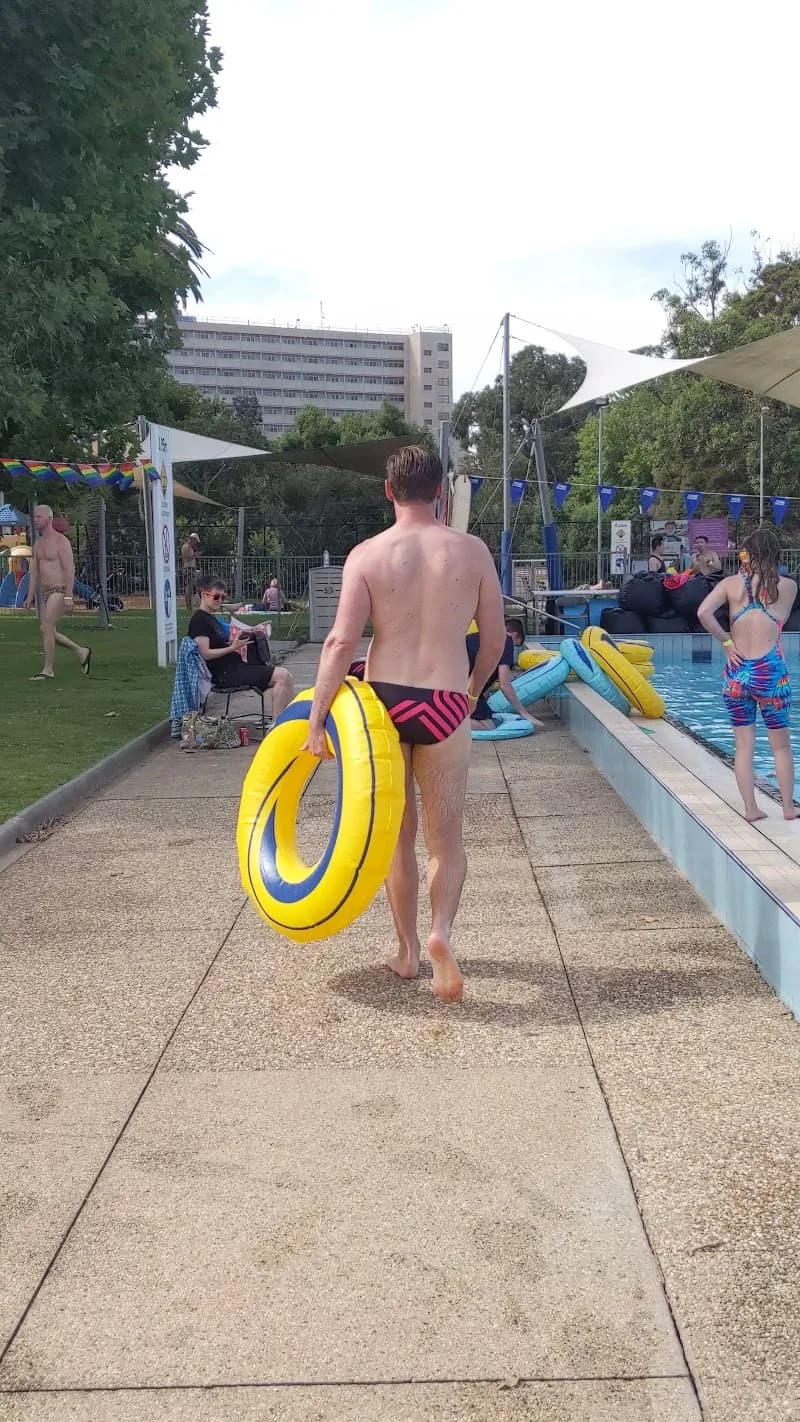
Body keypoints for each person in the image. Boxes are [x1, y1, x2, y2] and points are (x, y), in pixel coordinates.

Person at [302, 445, 507, 1005]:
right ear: (440, 491)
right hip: (445, 701)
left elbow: (340, 642)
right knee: (447, 839)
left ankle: (408, 950)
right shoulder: (472, 552)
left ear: (388, 491)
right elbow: (493, 641)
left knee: (399, 838)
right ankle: (442, 931)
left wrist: (317, 719)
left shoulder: (367, 554)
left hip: (384, 704)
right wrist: (470, 692)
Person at [698, 527, 798, 823]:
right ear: (774, 554)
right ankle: (788, 808)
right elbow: (781, 617)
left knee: (743, 746)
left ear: (748, 555)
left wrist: (727, 643)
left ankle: (751, 809)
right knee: (781, 746)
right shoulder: (788, 587)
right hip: (771, 674)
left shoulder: (730, 584)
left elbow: (703, 613)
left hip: (737, 672)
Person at [188, 575, 294, 718]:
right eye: (216, 596)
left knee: (287, 677)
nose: (220, 601)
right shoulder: (199, 620)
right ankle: (277, 725)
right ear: (204, 595)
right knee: (282, 676)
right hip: (224, 674)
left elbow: (217, 644)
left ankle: (286, 722)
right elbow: (205, 653)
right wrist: (232, 648)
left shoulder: (211, 618)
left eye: (223, 597)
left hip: (234, 667)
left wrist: (236, 642)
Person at [25, 505, 91, 681]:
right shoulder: (38, 544)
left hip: (60, 590)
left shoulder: (61, 541)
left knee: (46, 627)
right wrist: (30, 595)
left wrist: (68, 595)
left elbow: (70, 569)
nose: (35, 519)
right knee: (48, 630)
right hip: (47, 592)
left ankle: (48, 669)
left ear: (49, 519)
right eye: (34, 516)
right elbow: (34, 572)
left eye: (39, 516)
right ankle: (81, 651)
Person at [468, 617, 543, 730]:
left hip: (453, 687)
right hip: (464, 692)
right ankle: (447, 723)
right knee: (488, 726)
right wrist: (524, 712)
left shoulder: (477, 637)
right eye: (516, 645)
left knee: (487, 714)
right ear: (515, 635)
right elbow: (504, 685)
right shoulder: (506, 640)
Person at [181, 533, 200, 612]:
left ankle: (190, 606)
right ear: (193, 539)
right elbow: (188, 558)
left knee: (191, 587)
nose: (195, 543)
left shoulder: (186, 546)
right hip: (189, 568)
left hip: (189, 568)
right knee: (189, 587)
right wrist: (195, 555)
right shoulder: (187, 547)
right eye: (195, 541)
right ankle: (189, 607)